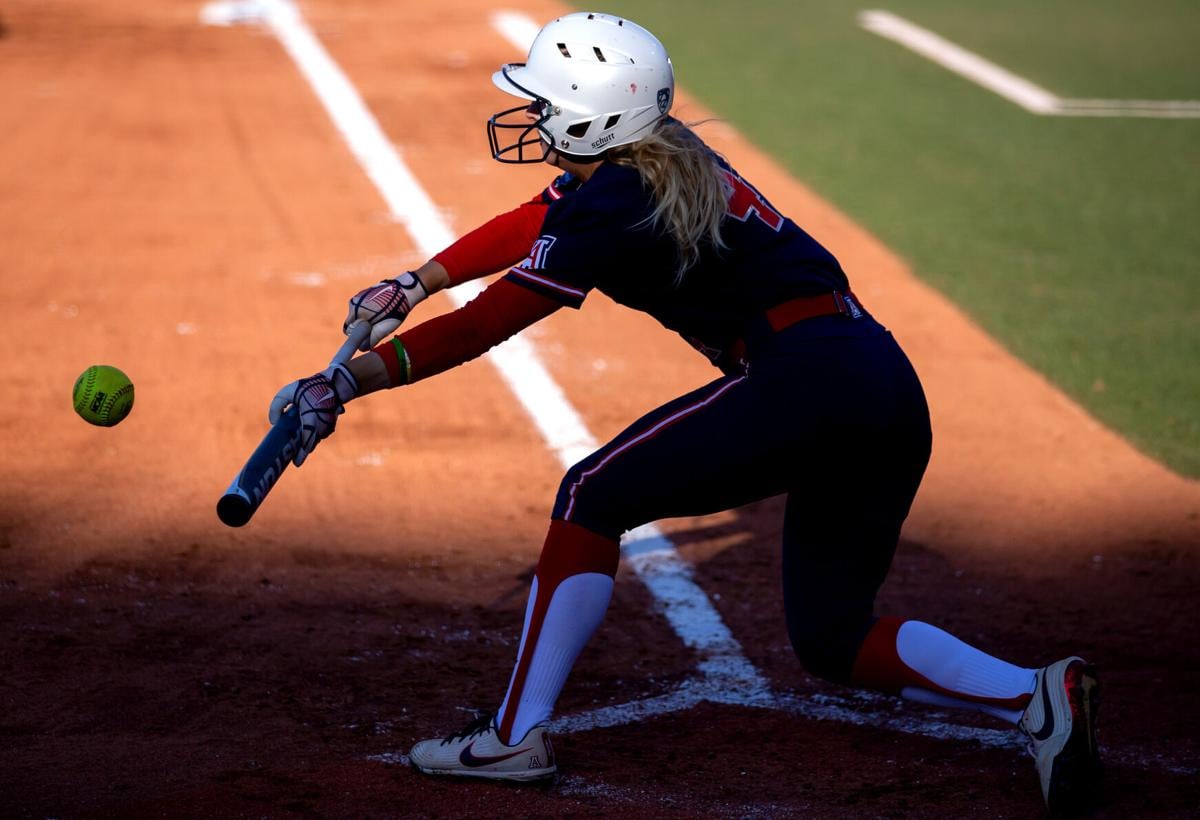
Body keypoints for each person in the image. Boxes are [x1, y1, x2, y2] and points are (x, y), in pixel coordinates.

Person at [269, 12, 1100, 812]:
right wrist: (417, 283)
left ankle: (512, 738)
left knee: (592, 494)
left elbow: (493, 321)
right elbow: (539, 220)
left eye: (545, 104)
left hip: (802, 380)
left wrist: (344, 384)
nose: (529, 113)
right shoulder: (661, 157)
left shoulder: (614, 203)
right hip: (879, 380)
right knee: (832, 636)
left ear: (594, 122)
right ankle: (1037, 697)